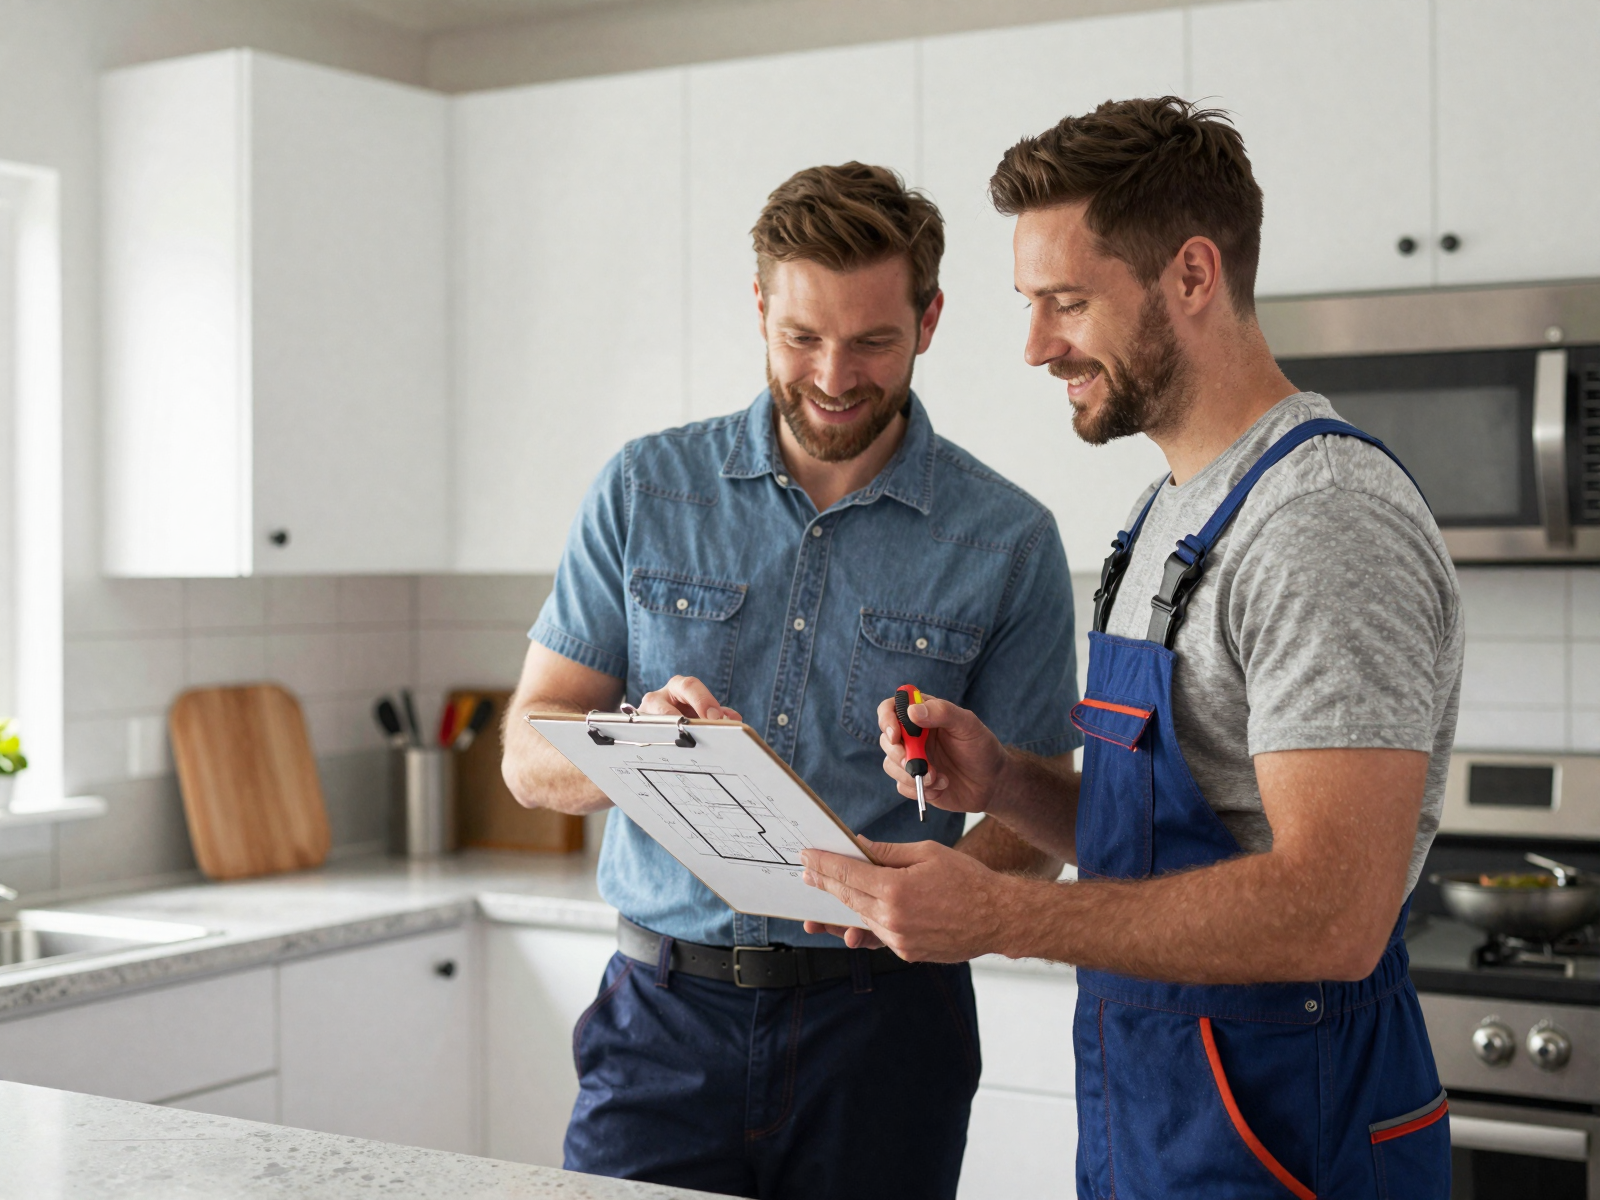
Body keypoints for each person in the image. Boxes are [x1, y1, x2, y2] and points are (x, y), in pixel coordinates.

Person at [801, 99, 1464, 1199]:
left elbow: (1335, 912)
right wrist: (1007, 783)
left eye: (1065, 301)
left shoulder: (1320, 522)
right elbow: (1177, 834)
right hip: (1165, 1108)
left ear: (1192, 276)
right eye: (1028, 303)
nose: (1033, 345)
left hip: (1292, 1125)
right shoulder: (1171, 510)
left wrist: (1004, 914)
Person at [500, 162, 1082, 1200]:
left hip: (888, 1027)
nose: (832, 375)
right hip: (661, 1016)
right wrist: (640, 743)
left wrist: (931, 898)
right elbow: (526, 753)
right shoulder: (644, 489)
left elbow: (1035, 816)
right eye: (801, 336)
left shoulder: (1008, 542)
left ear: (931, 319)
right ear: (759, 306)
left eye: (871, 341)